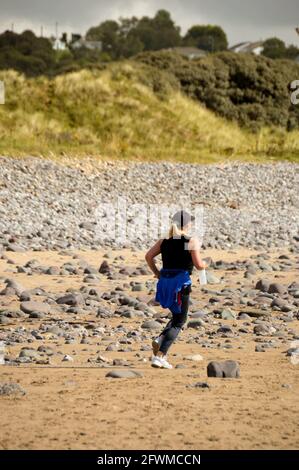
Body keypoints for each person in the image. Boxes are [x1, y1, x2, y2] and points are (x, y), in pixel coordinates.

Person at [145, 210, 209, 369]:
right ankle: (160, 356)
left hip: (165, 282)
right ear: (186, 224)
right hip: (180, 283)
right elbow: (199, 265)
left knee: (176, 316)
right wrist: (206, 264)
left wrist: (157, 273)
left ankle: (160, 339)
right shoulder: (190, 241)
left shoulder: (164, 241)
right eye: (190, 222)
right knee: (180, 321)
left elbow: (148, 256)